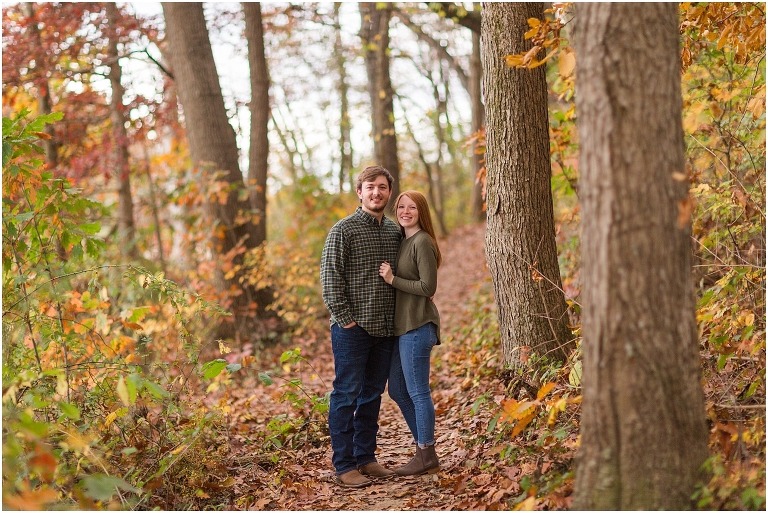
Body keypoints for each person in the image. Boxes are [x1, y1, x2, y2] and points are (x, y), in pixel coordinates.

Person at [320, 165, 402, 488]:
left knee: (371, 395)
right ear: (360, 191)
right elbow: (330, 281)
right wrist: (348, 321)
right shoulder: (343, 230)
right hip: (351, 330)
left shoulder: (395, 231)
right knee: (346, 394)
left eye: (382, 187)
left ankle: (366, 458)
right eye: (370, 187)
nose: (376, 193)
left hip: (384, 330)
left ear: (389, 192)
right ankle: (344, 465)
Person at [378, 190, 442, 476]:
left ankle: (425, 452)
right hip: (404, 328)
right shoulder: (404, 241)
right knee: (399, 390)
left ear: (421, 212)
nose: (405, 211)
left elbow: (428, 288)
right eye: (401, 206)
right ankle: (425, 449)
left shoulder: (422, 242)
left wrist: (393, 280)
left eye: (412, 207)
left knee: (417, 392)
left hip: (418, 326)